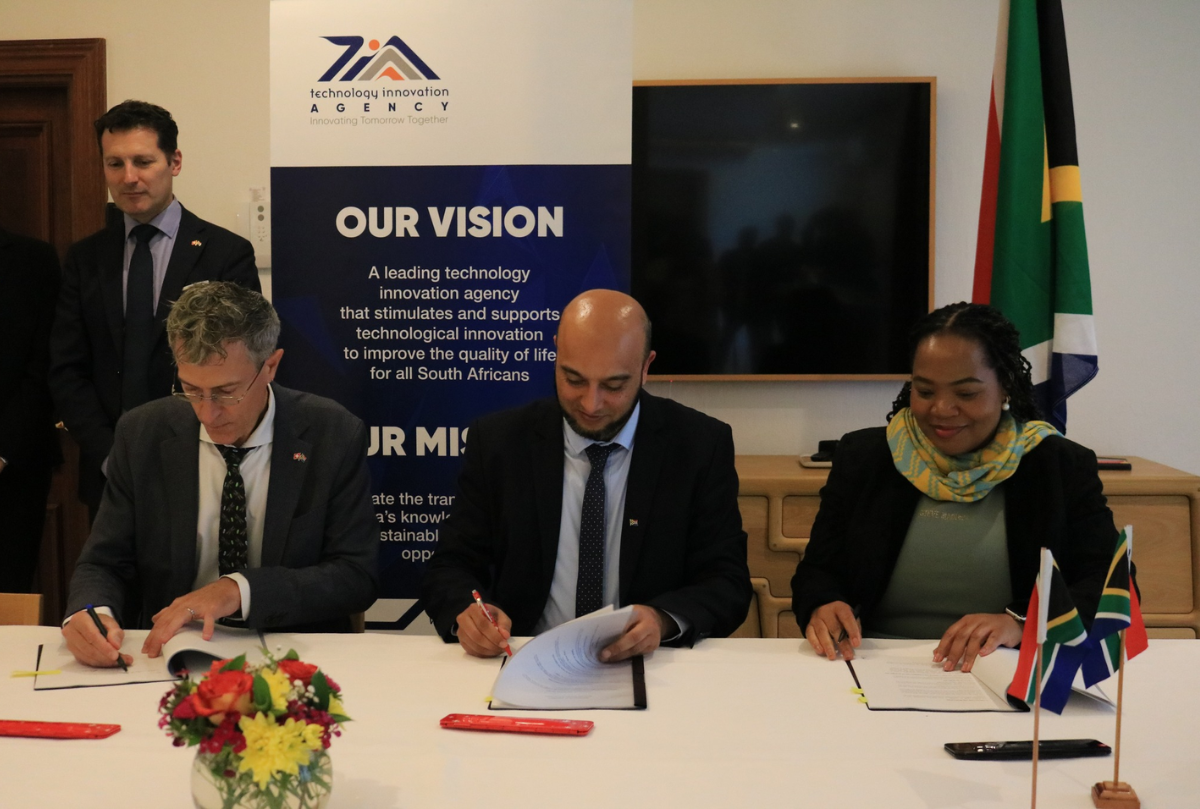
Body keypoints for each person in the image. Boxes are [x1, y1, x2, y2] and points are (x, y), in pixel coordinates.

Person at [422, 289, 751, 662]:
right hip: (524, 657)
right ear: (556, 353)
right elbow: (451, 565)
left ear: (646, 367)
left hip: (649, 664)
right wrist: (469, 614)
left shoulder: (700, 446)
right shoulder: (499, 442)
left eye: (614, 386)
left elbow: (727, 582)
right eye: (574, 379)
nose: (591, 404)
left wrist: (662, 620)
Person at [63, 282, 378, 667]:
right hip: (171, 656)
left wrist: (238, 590)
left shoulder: (332, 433)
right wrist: (92, 613)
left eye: (227, 392)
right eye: (191, 389)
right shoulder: (143, 433)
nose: (207, 413)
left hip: (295, 654)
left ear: (271, 366)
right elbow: (104, 562)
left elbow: (355, 576)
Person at [792, 302, 1118, 673]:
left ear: (1005, 386)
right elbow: (818, 571)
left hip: (1005, 666)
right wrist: (823, 603)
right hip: (872, 663)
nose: (942, 409)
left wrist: (1021, 623)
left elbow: (1109, 586)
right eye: (925, 391)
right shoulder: (866, 458)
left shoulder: (1057, 465)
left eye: (966, 394)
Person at [50, 100, 260, 514]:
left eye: (143, 162)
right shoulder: (86, 258)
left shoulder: (225, 253)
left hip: (204, 463)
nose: (129, 177)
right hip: (110, 474)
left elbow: (242, 365)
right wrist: (111, 454)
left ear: (174, 162)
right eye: (115, 164)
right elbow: (66, 368)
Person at [0, 226, 61, 592]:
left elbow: (46, 364)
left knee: (8, 596)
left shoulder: (33, 259)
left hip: (14, 468)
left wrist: (3, 451)